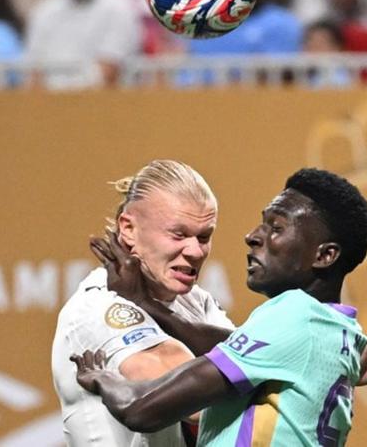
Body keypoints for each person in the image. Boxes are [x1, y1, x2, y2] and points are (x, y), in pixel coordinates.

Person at [72, 168, 367, 445]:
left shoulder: (293, 317)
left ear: (325, 255)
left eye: (276, 227)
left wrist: (101, 377)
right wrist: (144, 302)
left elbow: (143, 410)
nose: (253, 236)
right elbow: (233, 344)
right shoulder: (337, 335)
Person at [52, 160, 233, 446]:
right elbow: (197, 401)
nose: (195, 251)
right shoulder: (99, 306)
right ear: (128, 228)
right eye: (179, 234)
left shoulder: (196, 301)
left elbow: (248, 354)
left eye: (204, 236)